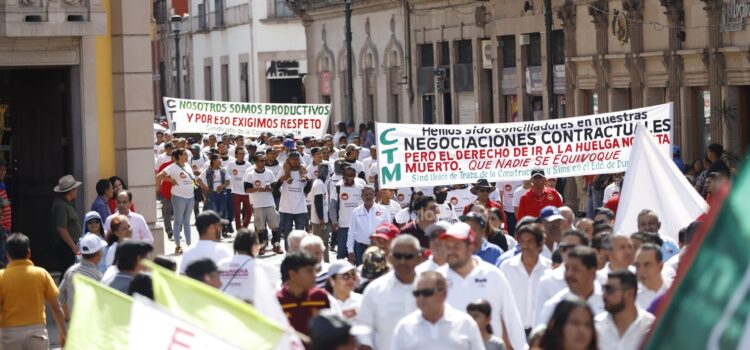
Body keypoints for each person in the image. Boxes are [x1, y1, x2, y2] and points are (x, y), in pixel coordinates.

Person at [438, 222, 527, 350]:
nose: (451, 251)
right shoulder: (438, 278)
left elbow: (511, 317)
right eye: (448, 246)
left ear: (471, 247)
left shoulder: (493, 274)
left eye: (457, 246)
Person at [0, 234, 67, 349]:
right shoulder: (41, 274)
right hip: (37, 334)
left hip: (9, 335)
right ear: (29, 253)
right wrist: (63, 332)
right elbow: (56, 307)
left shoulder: (2, 277)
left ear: (7, 255)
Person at [391, 271, 485, 350]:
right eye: (417, 293)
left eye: (427, 293)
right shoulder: (404, 327)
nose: (421, 298)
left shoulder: (465, 323)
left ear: (444, 293)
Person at [357, 235, 420, 350]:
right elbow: (363, 332)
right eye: (398, 256)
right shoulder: (374, 290)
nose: (402, 261)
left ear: (418, 258)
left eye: (408, 256)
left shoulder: (431, 288)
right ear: (390, 257)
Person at [499, 223, 551, 333]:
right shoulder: (507, 267)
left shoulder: (549, 269)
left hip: (541, 332)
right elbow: (500, 300)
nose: (526, 246)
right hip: (513, 331)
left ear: (540, 244)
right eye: (522, 241)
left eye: (530, 242)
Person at [536, 246, 604, 328]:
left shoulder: (608, 302)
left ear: (592, 273)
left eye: (575, 269)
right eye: (567, 268)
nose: (569, 274)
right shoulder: (554, 306)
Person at [595, 270, 654, 350]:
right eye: (604, 289)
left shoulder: (651, 326)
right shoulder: (595, 326)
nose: (604, 295)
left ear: (630, 293)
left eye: (610, 290)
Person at [219, 228, 281, 303]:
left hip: (224, 309)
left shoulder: (221, 265)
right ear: (254, 246)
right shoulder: (263, 267)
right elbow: (280, 285)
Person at [277, 252, 331, 337]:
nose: (314, 275)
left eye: (314, 271)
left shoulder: (320, 297)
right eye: (309, 271)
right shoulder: (276, 302)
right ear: (293, 274)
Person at [156, 148, 197, 254]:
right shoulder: (172, 167)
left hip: (190, 197)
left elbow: (190, 179)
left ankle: (189, 245)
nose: (187, 156)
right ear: (178, 156)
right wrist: (170, 180)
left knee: (187, 221)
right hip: (178, 196)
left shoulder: (187, 166)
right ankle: (178, 245)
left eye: (187, 154)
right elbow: (159, 176)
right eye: (184, 154)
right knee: (178, 220)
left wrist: (195, 186)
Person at [59, 234, 105, 319]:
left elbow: (60, 298)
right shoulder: (99, 277)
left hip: (75, 325)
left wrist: (69, 317)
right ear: (99, 254)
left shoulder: (70, 272)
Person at [244, 151, 281, 254]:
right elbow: (246, 190)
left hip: (270, 203)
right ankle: (261, 246)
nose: (264, 162)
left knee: (275, 225)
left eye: (264, 160)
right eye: (261, 160)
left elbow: (275, 187)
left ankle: (276, 244)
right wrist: (257, 189)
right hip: (258, 204)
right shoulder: (250, 174)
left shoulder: (269, 172)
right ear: (255, 162)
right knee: (260, 227)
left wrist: (269, 189)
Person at [276, 152, 312, 249]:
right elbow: (276, 189)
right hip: (286, 208)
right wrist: (281, 180)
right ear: (289, 160)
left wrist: (309, 181)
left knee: (300, 233)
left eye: (297, 159)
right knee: (287, 232)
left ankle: (299, 252)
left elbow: (307, 190)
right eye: (293, 159)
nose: (296, 161)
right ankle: (289, 252)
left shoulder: (304, 172)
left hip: (300, 208)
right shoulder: (283, 171)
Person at [347, 186, 390, 265]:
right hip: (360, 248)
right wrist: (350, 250)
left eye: (370, 194)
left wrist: (387, 248)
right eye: (365, 195)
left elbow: (388, 230)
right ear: (362, 196)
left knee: (378, 272)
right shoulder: (356, 212)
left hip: (378, 247)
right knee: (361, 271)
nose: (368, 196)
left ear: (374, 195)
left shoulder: (383, 210)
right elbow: (351, 232)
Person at [331, 166, 366, 259]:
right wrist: (334, 221)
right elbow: (333, 207)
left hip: (358, 225)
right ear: (343, 175)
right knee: (341, 253)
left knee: (357, 253)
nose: (348, 177)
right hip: (343, 225)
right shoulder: (338, 187)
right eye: (346, 175)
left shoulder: (360, 187)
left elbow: (364, 205)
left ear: (354, 176)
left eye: (350, 175)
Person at [51, 174, 83, 273]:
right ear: (71, 190)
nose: (76, 191)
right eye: (75, 189)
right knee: (67, 273)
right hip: (66, 247)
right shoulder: (61, 205)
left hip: (68, 246)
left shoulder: (65, 203)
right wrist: (73, 246)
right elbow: (61, 228)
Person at [197, 154, 230, 234]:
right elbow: (198, 180)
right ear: (213, 161)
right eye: (218, 159)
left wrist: (222, 186)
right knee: (215, 211)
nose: (220, 160)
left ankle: (223, 228)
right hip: (212, 194)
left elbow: (228, 181)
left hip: (222, 193)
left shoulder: (223, 170)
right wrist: (205, 188)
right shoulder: (207, 171)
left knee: (222, 211)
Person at [634, 243, 670, 310]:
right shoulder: (631, 298)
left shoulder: (674, 290)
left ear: (660, 266)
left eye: (647, 265)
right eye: (637, 265)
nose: (641, 271)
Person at [309, 163, 332, 262]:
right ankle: (318, 263)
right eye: (322, 171)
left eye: (325, 171)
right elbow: (318, 201)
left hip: (322, 218)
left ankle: (325, 261)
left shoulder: (321, 183)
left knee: (324, 242)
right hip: (319, 220)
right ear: (318, 172)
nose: (324, 173)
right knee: (320, 243)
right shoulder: (318, 184)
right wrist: (321, 218)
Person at [227, 147, 253, 231]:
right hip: (235, 192)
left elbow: (251, 176)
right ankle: (239, 231)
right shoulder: (231, 164)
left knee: (249, 212)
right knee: (237, 214)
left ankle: (244, 228)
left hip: (246, 193)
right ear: (236, 155)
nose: (242, 155)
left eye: (243, 154)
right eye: (240, 153)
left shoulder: (248, 164)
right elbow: (227, 175)